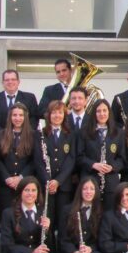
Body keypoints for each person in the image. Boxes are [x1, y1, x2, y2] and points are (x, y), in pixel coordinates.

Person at [37, 100, 77, 240]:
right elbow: (38, 160)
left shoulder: (70, 135)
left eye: (60, 112)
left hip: (63, 186)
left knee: (63, 221)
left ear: (64, 115)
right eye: (54, 112)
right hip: (46, 186)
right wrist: (47, 181)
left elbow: (71, 159)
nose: (57, 115)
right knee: (47, 221)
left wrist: (58, 181)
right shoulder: (40, 134)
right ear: (48, 115)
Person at [0, 102, 38, 227]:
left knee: (24, 221)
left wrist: (20, 177)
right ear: (10, 117)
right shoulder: (0, 135)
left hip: (25, 185)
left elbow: (35, 161)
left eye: (20, 115)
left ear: (25, 117)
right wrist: (7, 178)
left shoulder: (34, 135)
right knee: (7, 220)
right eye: (14, 115)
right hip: (5, 186)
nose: (17, 118)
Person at [58, 177, 104, 253]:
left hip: (90, 250)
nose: (88, 192)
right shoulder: (67, 210)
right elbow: (62, 239)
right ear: (80, 191)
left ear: (96, 191)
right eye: (85, 189)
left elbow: (102, 239)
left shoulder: (100, 211)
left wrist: (90, 249)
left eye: (92, 189)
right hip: (72, 252)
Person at [77, 98, 123, 210]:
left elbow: (122, 159)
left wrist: (112, 167)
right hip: (90, 181)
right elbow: (79, 157)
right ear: (94, 113)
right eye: (98, 111)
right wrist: (93, 165)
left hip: (110, 183)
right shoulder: (84, 131)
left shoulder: (118, 132)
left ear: (109, 112)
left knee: (110, 213)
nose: (102, 114)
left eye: (104, 110)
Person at [0, 69, 39, 134]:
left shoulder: (30, 98)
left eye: (13, 79)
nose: (10, 82)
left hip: (24, 139)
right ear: (3, 82)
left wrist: (24, 132)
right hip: (0, 140)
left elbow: (34, 118)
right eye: (7, 80)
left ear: (18, 82)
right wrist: (2, 133)